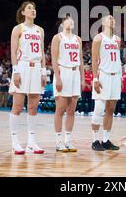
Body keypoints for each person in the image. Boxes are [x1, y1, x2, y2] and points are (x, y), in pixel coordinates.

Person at [8, 1, 46, 154]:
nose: (33, 10)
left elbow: (42, 52)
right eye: (29, 8)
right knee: (17, 106)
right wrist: (15, 71)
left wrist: (44, 71)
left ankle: (31, 142)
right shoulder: (18, 29)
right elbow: (13, 51)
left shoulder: (40, 30)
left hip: (36, 67)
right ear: (23, 12)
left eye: (34, 8)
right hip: (22, 66)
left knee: (33, 107)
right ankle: (15, 141)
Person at [51, 16, 85, 152]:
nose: (71, 22)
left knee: (71, 110)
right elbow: (54, 59)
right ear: (62, 24)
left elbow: (81, 60)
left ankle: (68, 140)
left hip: (75, 73)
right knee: (60, 109)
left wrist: (82, 78)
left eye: (72, 20)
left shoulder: (78, 39)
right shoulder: (57, 38)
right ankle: (58, 141)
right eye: (68, 20)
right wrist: (58, 78)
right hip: (63, 72)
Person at [90, 15, 121, 151]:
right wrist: (95, 79)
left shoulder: (117, 39)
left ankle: (106, 140)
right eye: (109, 19)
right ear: (103, 23)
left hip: (115, 76)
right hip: (103, 75)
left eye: (113, 19)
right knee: (99, 109)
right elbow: (94, 59)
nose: (112, 20)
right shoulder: (98, 38)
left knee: (111, 109)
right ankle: (95, 140)